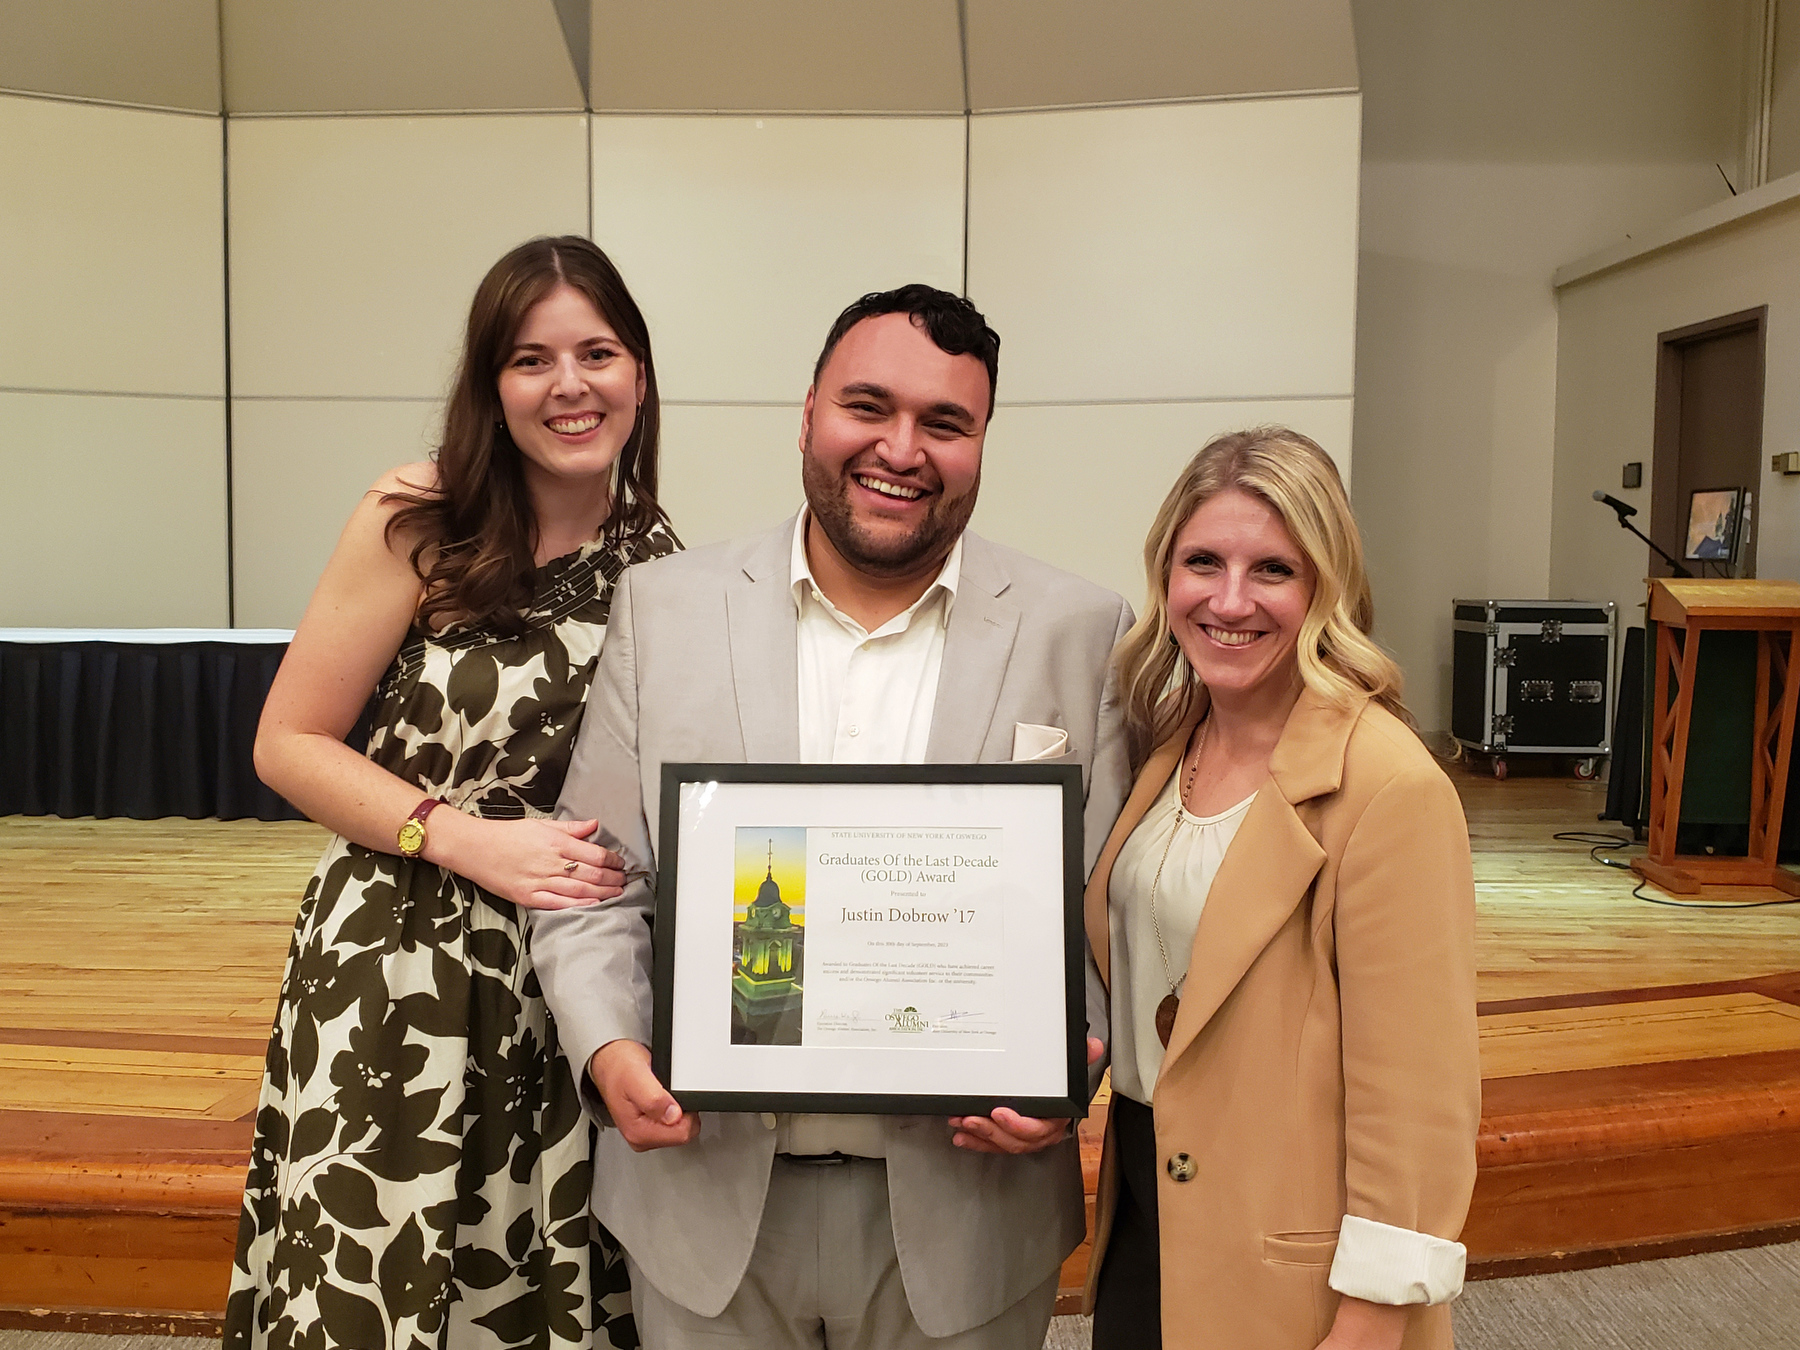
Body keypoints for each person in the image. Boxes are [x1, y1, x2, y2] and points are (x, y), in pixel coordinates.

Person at [528, 284, 1132, 1349]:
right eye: (869, 407)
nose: (902, 448)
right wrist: (611, 1048)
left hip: (967, 1217)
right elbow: (597, 878)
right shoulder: (666, 609)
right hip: (704, 1200)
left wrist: (1071, 1067)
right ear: (808, 413)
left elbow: (1105, 915)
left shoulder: (1079, 631)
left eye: (945, 423)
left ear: (983, 441)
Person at [225, 236, 678, 1350]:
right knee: (373, 1277)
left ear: (639, 373)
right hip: (397, 964)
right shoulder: (418, 518)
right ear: (491, 384)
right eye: (532, 360)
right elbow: (287, 742)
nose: (570, 386)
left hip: (564, 977)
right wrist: (465, 839)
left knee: (529, 1272)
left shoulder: (663, 562)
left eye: (597, 352)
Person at [1083, 427, 1480, 1350]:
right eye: (1203, 562)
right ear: (1165, 575)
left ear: (1324, 589)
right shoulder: (1169, 742)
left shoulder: (1390, 786)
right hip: (1148, 1204)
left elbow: (1420, 1095)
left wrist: (1376, 1316)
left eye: (1273, 570)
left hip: (1294, 1259)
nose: (1229, 600)